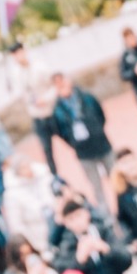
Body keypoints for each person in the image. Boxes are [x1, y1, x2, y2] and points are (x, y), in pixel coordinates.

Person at [52, 72, 115, 211]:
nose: (61, 85)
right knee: (96, 186)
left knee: (116, 179)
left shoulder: (87, 98)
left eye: (62, 81)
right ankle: (106, 216)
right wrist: (74, 143)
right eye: (57, 84)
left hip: (102, 145)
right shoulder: (57, 110)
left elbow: (101, 115)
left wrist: (97, 130)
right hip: (84, 153)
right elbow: (60, 131)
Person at [5, 42, 60, 175]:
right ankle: (55, 178)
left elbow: (54, 85)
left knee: (72, 139)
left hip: (53, 111)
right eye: (15, 54)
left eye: (20, 52)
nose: (19, 56)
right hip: (37, 115)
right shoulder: (16, 74)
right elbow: (19, 94)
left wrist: (46, 99)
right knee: (47, 150)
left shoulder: (39, 66)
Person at [1, 160, 58, 254]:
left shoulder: (45, 178)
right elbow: (16, 225)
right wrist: (35, 244)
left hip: (58, 224)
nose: (27, 170)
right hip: (39, 235)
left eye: (28, 166)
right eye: (23, 168)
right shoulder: (12, 195)